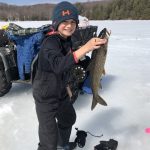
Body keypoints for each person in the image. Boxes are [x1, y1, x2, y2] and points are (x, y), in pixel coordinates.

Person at [32, 1, 107, 150]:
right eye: (64, 21)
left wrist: (66, 85)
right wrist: (86, 48)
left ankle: (62, 145)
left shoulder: (68, 40)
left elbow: (66, 67)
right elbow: (59, 64)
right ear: (56, 23)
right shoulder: (50, 42)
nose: (69, 25)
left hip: (60, 91)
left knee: (68, 118)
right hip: (45, 96)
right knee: (48, 140)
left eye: (73, 22)